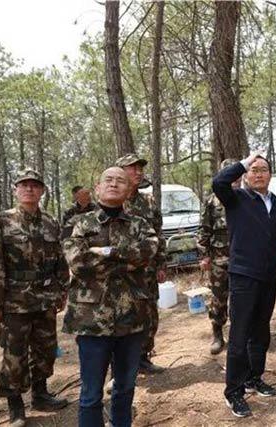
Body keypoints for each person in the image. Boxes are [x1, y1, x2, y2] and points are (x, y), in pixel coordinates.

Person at [63, 166, 159, 427]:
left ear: (129, 190)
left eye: (121, 181)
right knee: (91, 394)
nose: (114, 184)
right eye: (109, 180)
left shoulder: (140, 224)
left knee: (125, 388)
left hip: (132, 318)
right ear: (97, 187)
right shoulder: (79, 223)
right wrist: (125, 257)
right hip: (92, 320)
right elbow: (78, 263)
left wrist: (103, 252)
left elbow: (147, 253)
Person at [0, 168, 69, 427]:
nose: (29, 189)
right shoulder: (1, 220)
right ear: (15, 190)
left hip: (45, 298)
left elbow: (60, 260)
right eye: (24, 185)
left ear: (42, 190)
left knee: (45, 349)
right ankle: (15, 405)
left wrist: (62, 289)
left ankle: (40, 395)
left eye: (34, 185)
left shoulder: (51, 222)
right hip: (14, 300)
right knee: (15, 354)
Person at [212, 154, 276, 418]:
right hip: (243, 276)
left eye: (263, 170)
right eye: (253, 170)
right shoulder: (237, 199)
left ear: (270, 175)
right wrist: (243, 162)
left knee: (261, 332)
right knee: (240, 335)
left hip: (268, 276)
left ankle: (255, 378)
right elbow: (219, 182)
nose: (258, 174)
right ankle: (234, 392)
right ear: (245, 174)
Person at [115, 153, 167, 374]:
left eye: (140, 168)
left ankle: (143, 357)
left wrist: (161, 263)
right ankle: (119, 366)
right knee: (121, 315)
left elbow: (158, 233)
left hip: (147, 269)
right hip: (120, 271)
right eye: (132, 168)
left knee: (148, 314)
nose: (138, 172)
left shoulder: (148, 201)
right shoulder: (112, 199)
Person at [198, 158, 238, 355]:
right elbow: (204, 229)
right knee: (219, 298)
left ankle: (239, 335)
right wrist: (204, 256)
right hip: (219, 259)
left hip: (242, 258)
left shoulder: (245, 196)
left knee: (241, 298)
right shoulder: (212, 200)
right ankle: (217, 333)